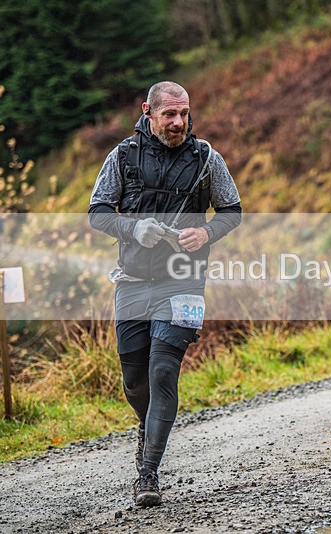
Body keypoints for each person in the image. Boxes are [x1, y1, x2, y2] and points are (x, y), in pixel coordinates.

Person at [88, 81, 241, 506]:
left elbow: (232, 211)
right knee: (135, 379)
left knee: (162, 372)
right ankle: (147, 424)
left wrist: (206, 231)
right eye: (169, 114)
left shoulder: (208, 158)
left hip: (185, 282)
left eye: (184, 113)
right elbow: (98, 211)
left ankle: (147, 475)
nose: (178, 122)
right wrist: (132, 226)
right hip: (132, 282)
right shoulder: (122, 156)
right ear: (148, 112)